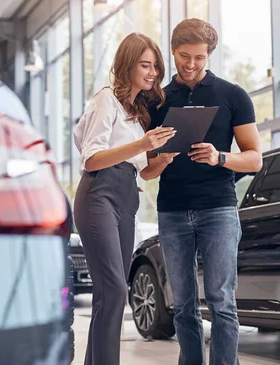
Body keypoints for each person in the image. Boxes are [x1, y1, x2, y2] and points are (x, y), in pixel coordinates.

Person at [142, 18, 263, 365]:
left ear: (208, 55)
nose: (191, 65)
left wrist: (220, 156)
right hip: (173, 210)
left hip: (218, 210)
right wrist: (161, 160)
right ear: (173, 51)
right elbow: (147, 170)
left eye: (199, 58)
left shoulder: (233, 95)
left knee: (221, 300)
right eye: (183, 56)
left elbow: (254, 159)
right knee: (182, 305)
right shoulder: (157, 100)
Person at [72, 32, 178, 365]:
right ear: (127, 65)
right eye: (145, 65)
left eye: (156, 67)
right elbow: (92, 158)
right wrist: (143, 146)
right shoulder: (107, 99)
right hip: (98, 194)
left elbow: (142, 171)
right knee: (115, 289)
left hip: (126, 196)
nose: (152, 73)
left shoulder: (138, 112)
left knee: (111, 294)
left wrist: (159, 161)